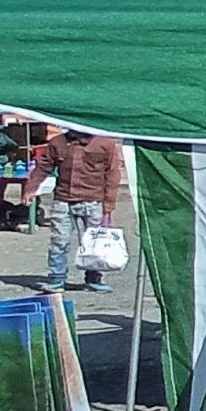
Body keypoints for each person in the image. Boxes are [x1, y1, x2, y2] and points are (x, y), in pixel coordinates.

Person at [23, 126, 124, 293]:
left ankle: (94, 279)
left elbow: (112, 176)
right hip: (63, 201)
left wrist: (109, 206)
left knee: (94, 244)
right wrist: (31, 189)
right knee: (59, 241)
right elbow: (43, 166)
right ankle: (57, 279)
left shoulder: (105, 144)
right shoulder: (58, 143)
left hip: (94, 201)